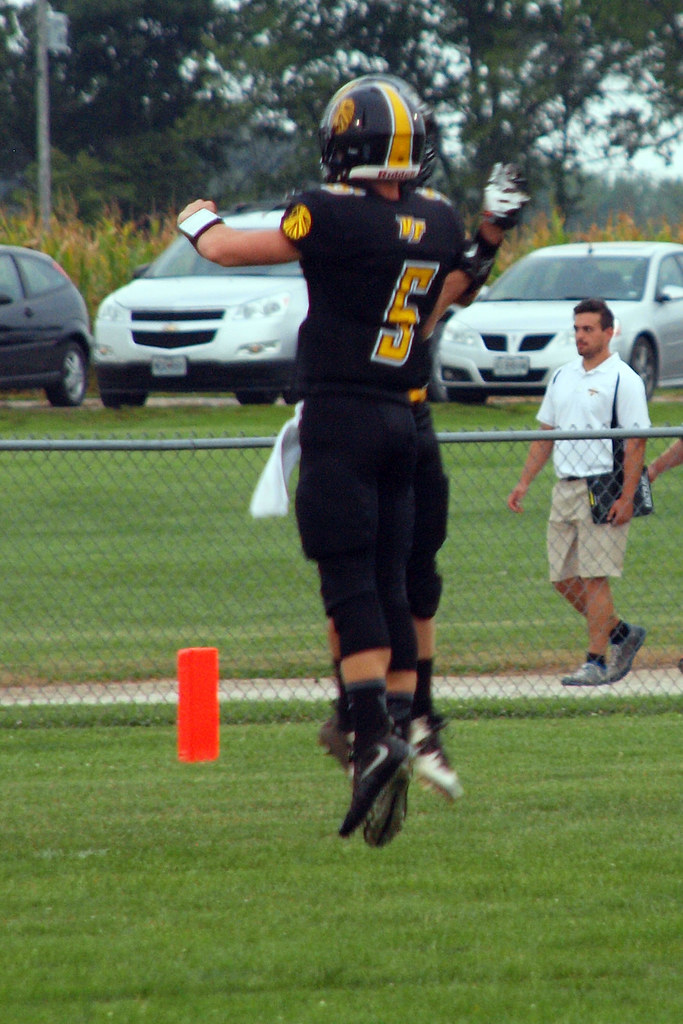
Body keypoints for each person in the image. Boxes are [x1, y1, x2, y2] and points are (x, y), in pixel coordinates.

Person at [179, 78, 523, 846]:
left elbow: (233, 250)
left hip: (341, 411)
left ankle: (370, 733)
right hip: (403, 418)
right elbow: (442, 298)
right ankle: (397, 722)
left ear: (344, 144)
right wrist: (490, 237)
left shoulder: (326, 211)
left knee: (346, 577)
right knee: (392, 577)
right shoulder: (437, 222)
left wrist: (196, 219)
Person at [507, 298, 650, 686]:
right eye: (577, 329)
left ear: (608, 332)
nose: (580, 336)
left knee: (594, 577)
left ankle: (596, 662)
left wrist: (626, 497)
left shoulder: (624, 379)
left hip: (604, 486)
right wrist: (524, 483)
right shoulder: (563, 376)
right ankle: (621, 632)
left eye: (588, 329)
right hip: (564, 487)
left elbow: (637, 442)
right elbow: (545, 434)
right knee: (562, 578)